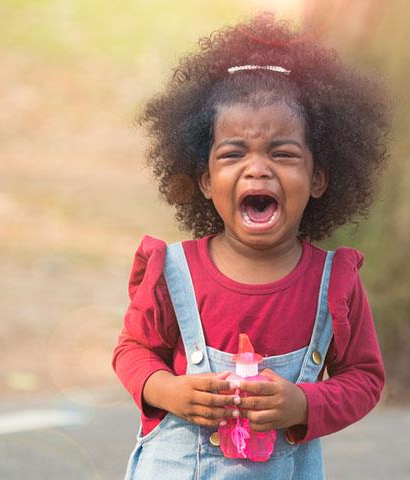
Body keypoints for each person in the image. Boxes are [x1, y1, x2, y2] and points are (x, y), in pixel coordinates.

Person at [112, 12, 388, 479]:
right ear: (205, 180)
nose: (257, 169)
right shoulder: (173, 271)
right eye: (233, 154)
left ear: (318, 178)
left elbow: (364, 378)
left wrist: (303, 402)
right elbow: (131, 351)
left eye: (283, 153)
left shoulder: (332, 283)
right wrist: (167, 390)